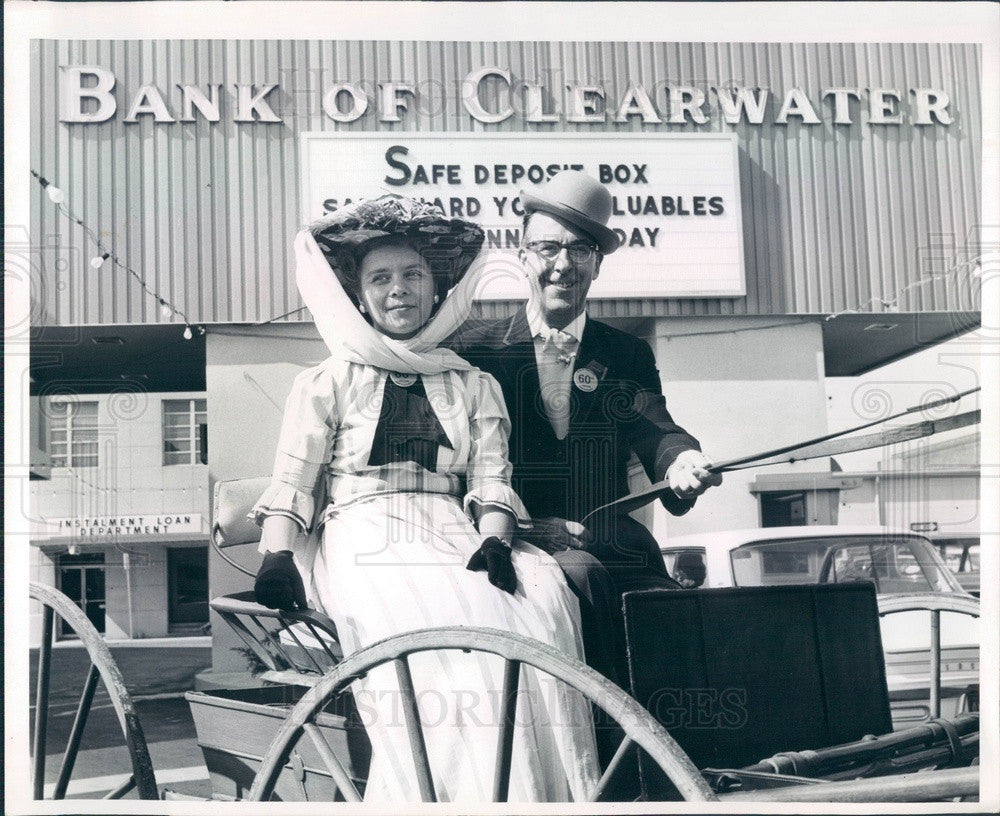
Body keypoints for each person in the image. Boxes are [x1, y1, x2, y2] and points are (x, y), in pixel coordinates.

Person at [250, 196, 599, 802]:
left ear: (437, 287)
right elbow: (295, 481)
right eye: (380, 278)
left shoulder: (471, 382)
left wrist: (495, 537)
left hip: (455, 530)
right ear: (358, 295)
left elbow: (491, 478)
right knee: (443, 630)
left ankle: (536, 796)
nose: (399, 291)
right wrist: (277, 557)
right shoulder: (327, 381)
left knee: (540, 600)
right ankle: (448, 795)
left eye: (413, 275)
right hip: (360, 528)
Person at [449, 170, 722, 688]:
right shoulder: (476, 353)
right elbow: (461, 470)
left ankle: (682, 755)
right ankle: (610, 744)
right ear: (523, 253)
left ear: (597, 263)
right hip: (514, 548)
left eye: (579, 250)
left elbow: (654, 425)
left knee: (682, 617)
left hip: (616, 549)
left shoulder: (624, 353)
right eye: (548, 248)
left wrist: (682, 461)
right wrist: (525, 527)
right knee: (582, 578)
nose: (562, 265)